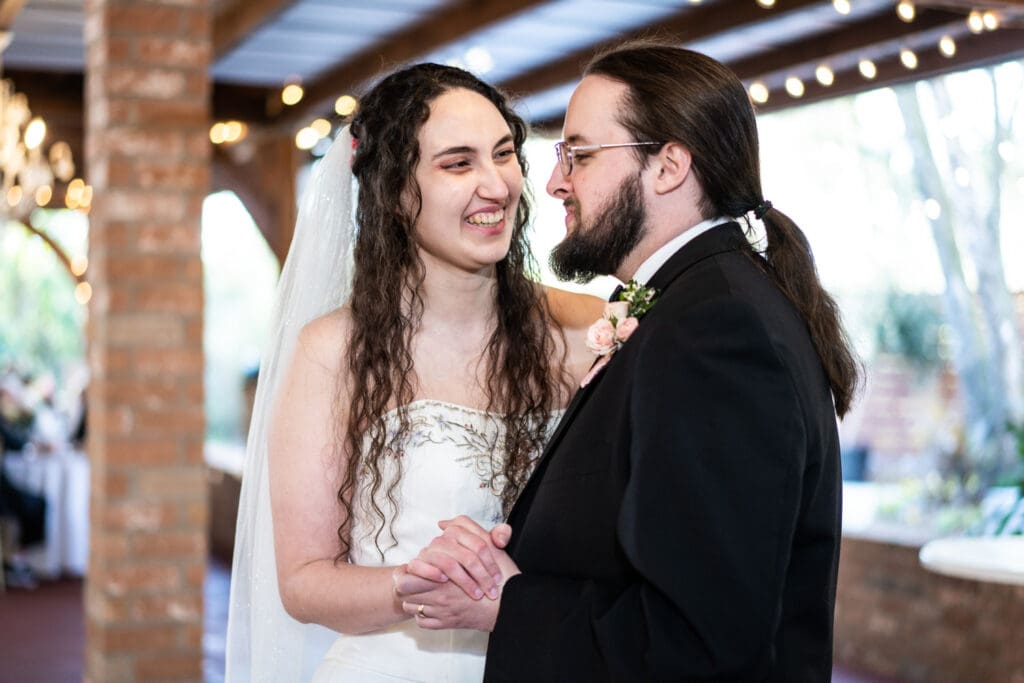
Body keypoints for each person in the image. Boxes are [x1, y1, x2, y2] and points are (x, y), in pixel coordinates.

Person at [394, 42, 861, 682]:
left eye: (580, 155)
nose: (554, 182)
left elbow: (700, 642)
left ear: (668, 166)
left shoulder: (716, 332)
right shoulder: (689, 304)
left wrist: (508, 601)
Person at [224, 63, 602, 682]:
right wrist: (414, 583)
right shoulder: (334, 352)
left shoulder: (587, 332)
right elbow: (302, 582)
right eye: (458, 164)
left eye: (503, 154)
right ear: (396, 193)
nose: (496, 185)